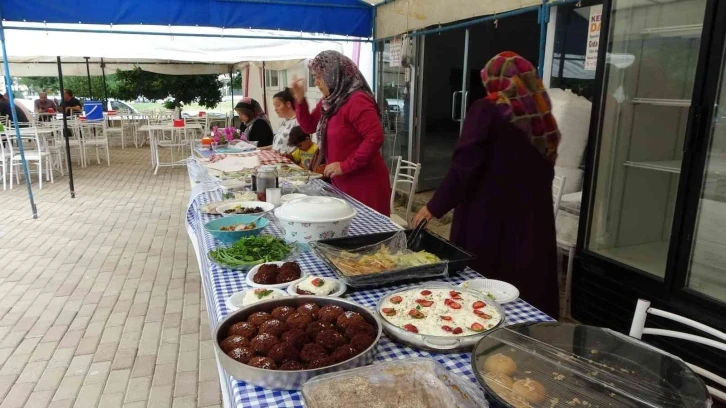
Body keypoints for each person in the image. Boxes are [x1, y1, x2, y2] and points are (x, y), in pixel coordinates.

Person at [412, 51, 561, 318]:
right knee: (525, 292)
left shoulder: (488, 110)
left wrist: (434, 206)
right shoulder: (542, 118)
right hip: (532, 224)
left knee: (483, 293)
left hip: (490, 220)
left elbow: (464, 165)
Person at [292, 50, 391, 216]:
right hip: (341, 181)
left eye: (318, 76)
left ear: (333, 74)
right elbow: (309, 127)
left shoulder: (357, 99)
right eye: (314, 77)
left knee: (365, 235)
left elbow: (374, 138)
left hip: (364, 183)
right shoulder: (330, 101)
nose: (316, 82)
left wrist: (345, 165)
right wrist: (300, 100)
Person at [259, 88, 299, 154]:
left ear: (288, 104)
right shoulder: (284, 122)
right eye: (274, 106)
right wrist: (259, 149)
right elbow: (277, 146)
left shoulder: (298, 123)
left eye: (278, 105)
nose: (275, 109)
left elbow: (298, 149)